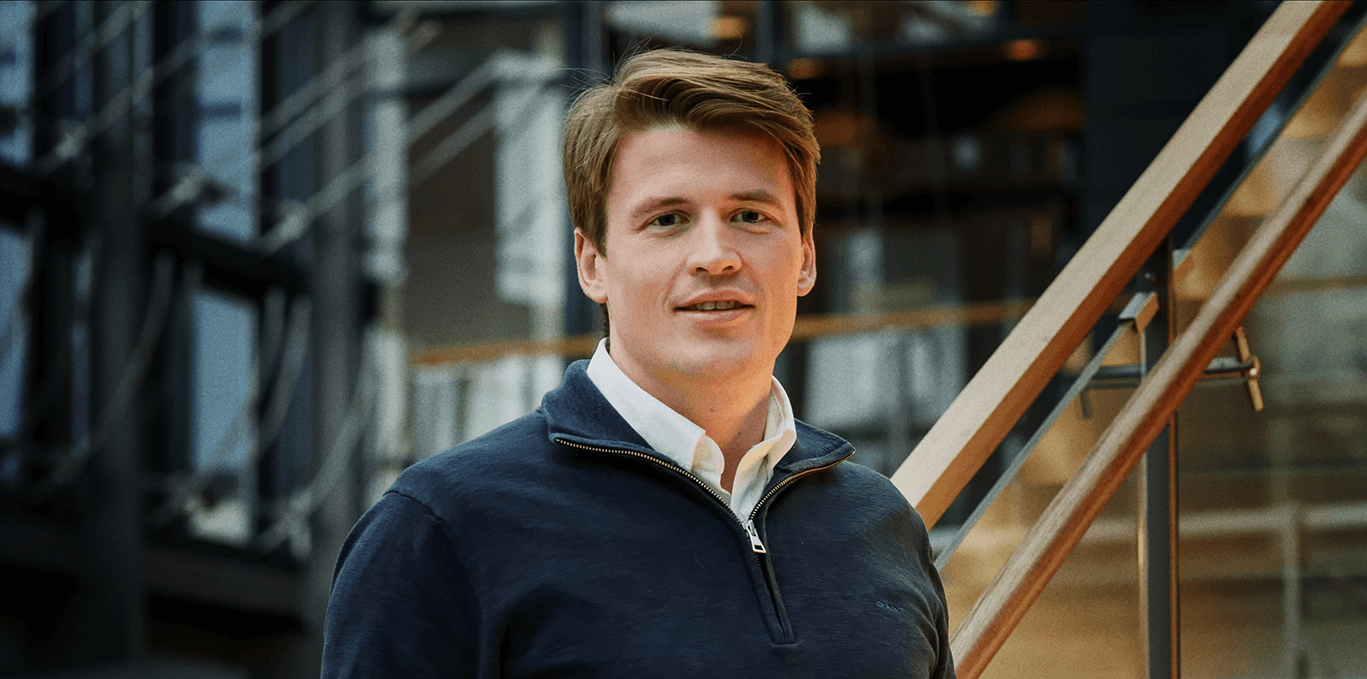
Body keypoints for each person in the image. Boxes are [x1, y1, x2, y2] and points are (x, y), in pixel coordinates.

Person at [322, 48, 954, 678]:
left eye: (750, 216)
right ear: (592, 263)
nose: (716, 255)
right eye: (668, 219)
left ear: (807, 258)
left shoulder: (882, 524)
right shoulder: (441, 529)